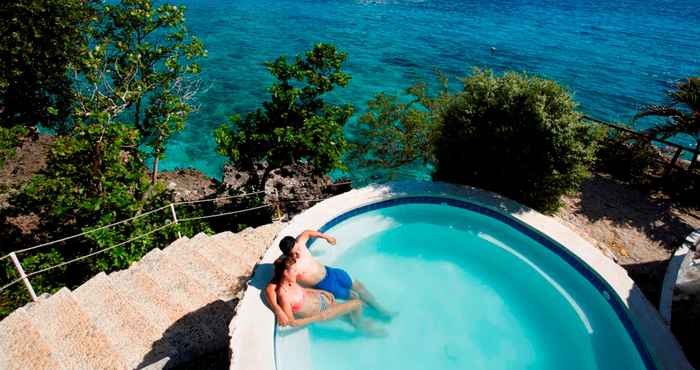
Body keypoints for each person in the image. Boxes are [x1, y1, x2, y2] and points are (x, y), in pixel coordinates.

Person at [265, 229, 392, 326]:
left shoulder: (300, 243)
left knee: (358, 286)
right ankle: (362, 321)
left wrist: (326, 237)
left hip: (331, 271)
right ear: (287, 255)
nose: (297, 254)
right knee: (353, 297)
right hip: (325, 285)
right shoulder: (288, 266)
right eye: (293, 254)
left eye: (297, 249)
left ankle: (380, 310)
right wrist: (278, 311)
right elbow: (270, 288)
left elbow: (307, 233)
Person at [273, 254, 370, 330]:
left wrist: (322, 292)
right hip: (323, 312)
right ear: (285, 273)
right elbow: (292, 322)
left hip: (325, 301)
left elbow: (304, 290)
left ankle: (358, 324)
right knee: (357, 304)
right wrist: (318, 318)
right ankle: (361, 326)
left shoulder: (291, 283)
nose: (297, 272)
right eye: (294, 270)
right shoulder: (284, 296)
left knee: (348, 312)